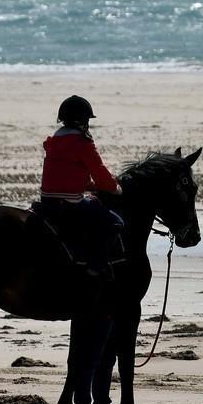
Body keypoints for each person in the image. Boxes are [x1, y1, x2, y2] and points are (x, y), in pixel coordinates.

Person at [40, 94, 124, 277]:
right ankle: (95, 268)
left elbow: (65, 172)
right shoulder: (82, 143)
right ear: (83, 120)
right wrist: (115, 188)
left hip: (46, 200)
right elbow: (100, 171)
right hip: (70, 203)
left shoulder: (54, 141)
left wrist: (88, 185)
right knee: (115, 222)